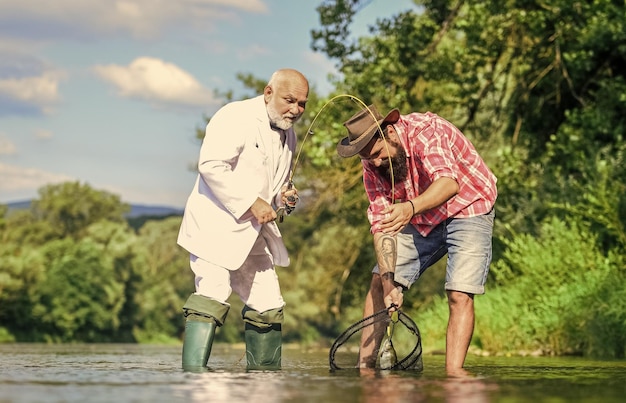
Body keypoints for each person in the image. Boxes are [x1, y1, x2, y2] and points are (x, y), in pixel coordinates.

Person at [336, 104, 497, 376]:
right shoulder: (371, 165)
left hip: (470, 206)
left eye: (376, 153)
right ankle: (365, 369)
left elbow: (448, 183)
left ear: (390, 132)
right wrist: (390, 285)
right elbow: (381, 226)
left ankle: (454, 375)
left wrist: (409, 208)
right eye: (366, 158)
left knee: (458, 293)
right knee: (379, 281)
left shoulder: (427, 132)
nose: (374, 162)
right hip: (422, 218)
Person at [177, 68, 309, 371]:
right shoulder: (234, 116)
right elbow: (210, 165)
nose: (296, 110)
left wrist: (283, 198)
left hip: (254, 233)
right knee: (211, 292)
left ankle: (264, 385)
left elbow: (272, 189)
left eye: (302, 104)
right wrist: (252, 202)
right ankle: (195, 380)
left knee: (268, 305)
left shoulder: (289, 133)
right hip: (214, 228)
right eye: (290, 100)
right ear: (268, 92)